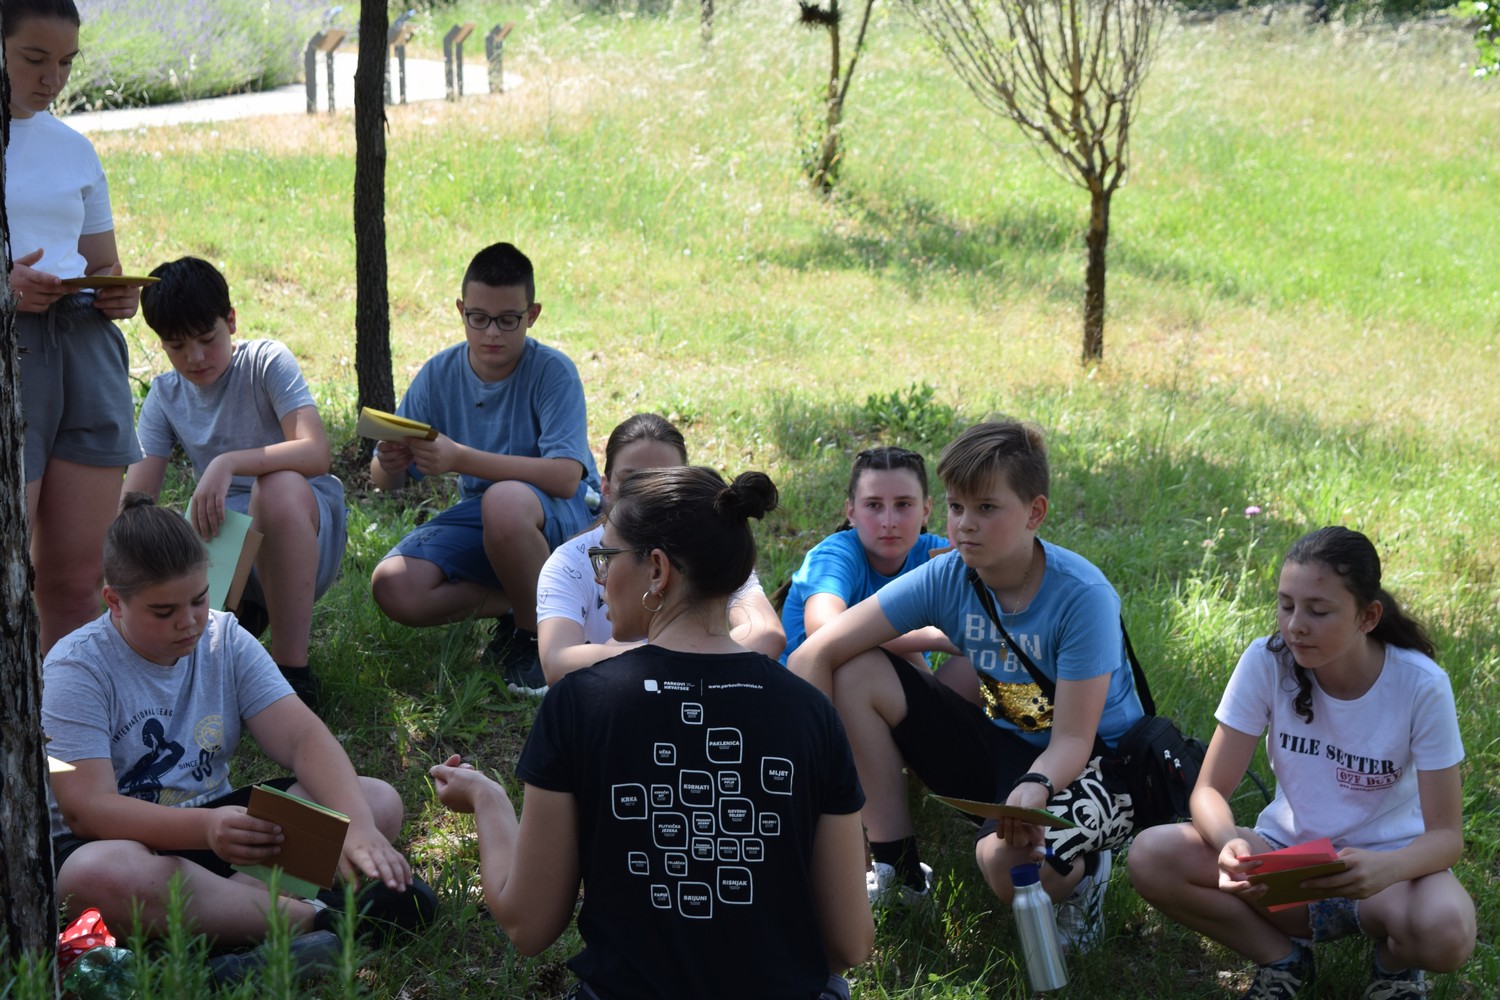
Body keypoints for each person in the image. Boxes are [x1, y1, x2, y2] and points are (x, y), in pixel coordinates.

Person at [431, 467, 873, 999]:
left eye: (606, 557)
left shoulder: (581, 703)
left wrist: (487, 800)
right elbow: (850, 943)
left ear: (657, 570)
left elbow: (528, 924)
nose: (599, 577)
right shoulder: (812, 711)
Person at [789, 420, 1144, 954]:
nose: (964, 525)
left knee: (1005, 867)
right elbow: (815, 653)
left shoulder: (1082, 596)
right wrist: (826, 795)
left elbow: (1073, 739)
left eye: (986, 507)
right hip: (1003, 744)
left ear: (1035, 512)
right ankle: (899, 869)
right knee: (854, 667)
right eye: (956, 507)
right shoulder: (949, 575)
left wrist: (1034, 788)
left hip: (1095, 765)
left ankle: (1086, 874)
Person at [41, 495, 434, 968]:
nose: (189, 621)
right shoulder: (75, 667)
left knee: (375, 802)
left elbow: (303, 739)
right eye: (163, 611)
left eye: (199, 599)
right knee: (93, 877)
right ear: (114, 602)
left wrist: (363, 831)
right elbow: (86, 809)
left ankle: (241, 922)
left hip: (225, 834)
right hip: (126, 846)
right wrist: (205, 829)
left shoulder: (224, 637)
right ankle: (318, 920)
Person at [1128, 527, 1475, 1000]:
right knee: (1151, 854)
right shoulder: (1267, 661)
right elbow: (1208, 791)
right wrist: (1230, 844)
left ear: (1368, 616)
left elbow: (1446, 838)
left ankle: (1394, 968)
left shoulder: (1421, 685)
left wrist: (1388, 868)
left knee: (1448, 930)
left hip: (1386, 878)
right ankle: (1283, 960)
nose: (1295, 626)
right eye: (1286, 605)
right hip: (1285, 868)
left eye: (1318, 610)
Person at [370, 241, 599, 694]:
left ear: (532, 315)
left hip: (563, 518)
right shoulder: (439, 373)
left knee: (504, 501)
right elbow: (385, 480)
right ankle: (527, 604)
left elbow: (566, 477)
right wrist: (388, 461)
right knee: (393, 585)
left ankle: (536, 639)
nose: (492, 332)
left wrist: (459, 458)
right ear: (461, 311)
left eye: (507, 319)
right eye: (478, 317)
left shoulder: (553, 371)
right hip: (489, 519)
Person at [124, 256, 345, 707]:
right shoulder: (164, 396)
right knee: (159, 534)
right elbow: (135, 502)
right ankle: (223, 645)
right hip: (224, 541)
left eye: (207, 339)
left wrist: (228, 463)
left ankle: (292, 674)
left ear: (231, 321)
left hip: (301, 533)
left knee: (276, 488)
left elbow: (315, 453)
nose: (195, 357)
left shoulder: (265, 361)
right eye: (176, 346)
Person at [5, 0, 143, 655]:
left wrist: (117, 292)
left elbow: (100, 262)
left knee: (78, 578)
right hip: (12, 350)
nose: (52, 79)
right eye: (34, 59)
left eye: (66, 63)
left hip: (85, 346)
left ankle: (69, 716)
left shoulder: (73, 148)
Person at [535, 412, 784, 690]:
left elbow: (767, 634)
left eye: (664, 480)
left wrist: (668, 657)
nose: (647, 494)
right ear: (605, 488)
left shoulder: (711, 547)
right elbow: (557, 663)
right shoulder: (570, 561)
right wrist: (691, 655)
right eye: (632, 480)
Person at [779, 446, 972, 695]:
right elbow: (824, 630)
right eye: (873, 505)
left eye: (903, 504)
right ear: (851, 512)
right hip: (810, 698)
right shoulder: (834, 556)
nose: (888, 521)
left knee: (995, 653)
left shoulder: (937, 556)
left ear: (925, 510)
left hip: (892, 692)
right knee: (859, 660)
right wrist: (936, 638)